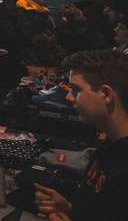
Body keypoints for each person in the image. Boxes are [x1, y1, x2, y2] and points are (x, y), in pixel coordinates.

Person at [35, 50, 128, 220]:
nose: (69, 97)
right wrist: (71, 208)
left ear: (106, 94)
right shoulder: (112, 141)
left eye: (76, 89)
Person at [16, 0, 63, 67]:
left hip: (48, 57)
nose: (42, 0)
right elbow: (35, 39)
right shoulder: (24, 13)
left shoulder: (43, 10)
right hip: (35, 60)